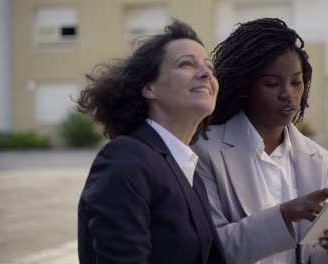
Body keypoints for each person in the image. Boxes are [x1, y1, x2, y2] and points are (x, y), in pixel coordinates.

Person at [192, 18, 328, 264]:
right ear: (245, 86)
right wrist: (282, 216)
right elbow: (212, 247)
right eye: (272, 83)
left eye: (296, 82)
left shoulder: (318, 158)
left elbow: (310, 255)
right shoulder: (205, 150)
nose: (288, 94)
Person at [76, 20, 226, 264]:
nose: (206, 73)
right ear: (149, 87)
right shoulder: (126, 158)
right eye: (186, 64)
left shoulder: (187, 169)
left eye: (210, 67)